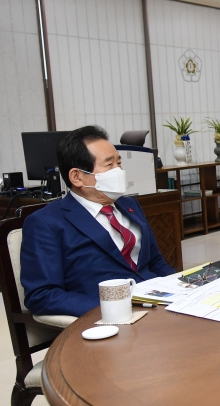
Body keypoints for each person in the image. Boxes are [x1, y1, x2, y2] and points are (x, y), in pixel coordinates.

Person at [21, 126, 175, 317]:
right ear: (77, 177)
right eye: (109, 165)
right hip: (111, 318)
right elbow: (41, 295)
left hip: (159, 304)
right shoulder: (46, 223)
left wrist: (183, 287)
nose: (118, 171)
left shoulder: (130, 205)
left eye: (119, 163)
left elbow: (155, 261)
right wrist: (111, 308)